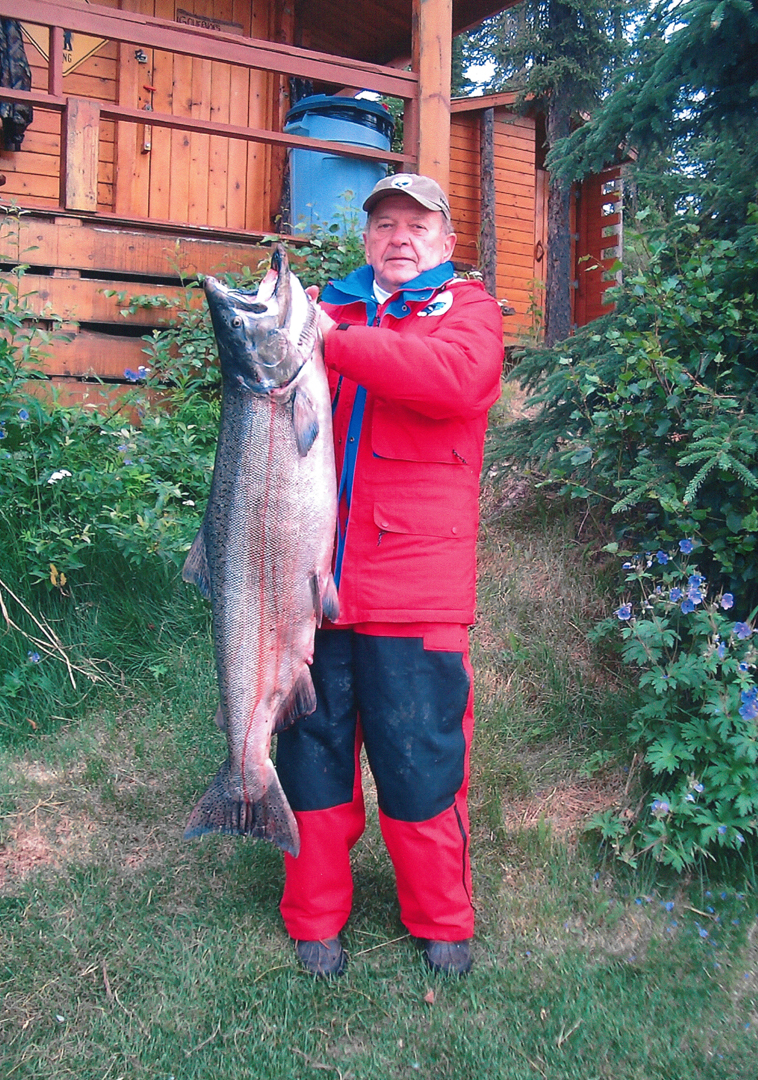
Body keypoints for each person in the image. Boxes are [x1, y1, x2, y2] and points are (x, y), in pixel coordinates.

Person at [275, 173, 504, 977]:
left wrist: (324, 341)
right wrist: (286, 328)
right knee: (311, 762)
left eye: (417, 225)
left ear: (445, 242)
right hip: (306, 596)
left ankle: (443, 921)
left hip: (417, 594)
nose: (400, 238)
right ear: (366, 240)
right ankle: (313, 919)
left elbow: (456, 381)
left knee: (423, 766)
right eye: (384, 226)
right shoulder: (319, 308)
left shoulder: (466, 312)